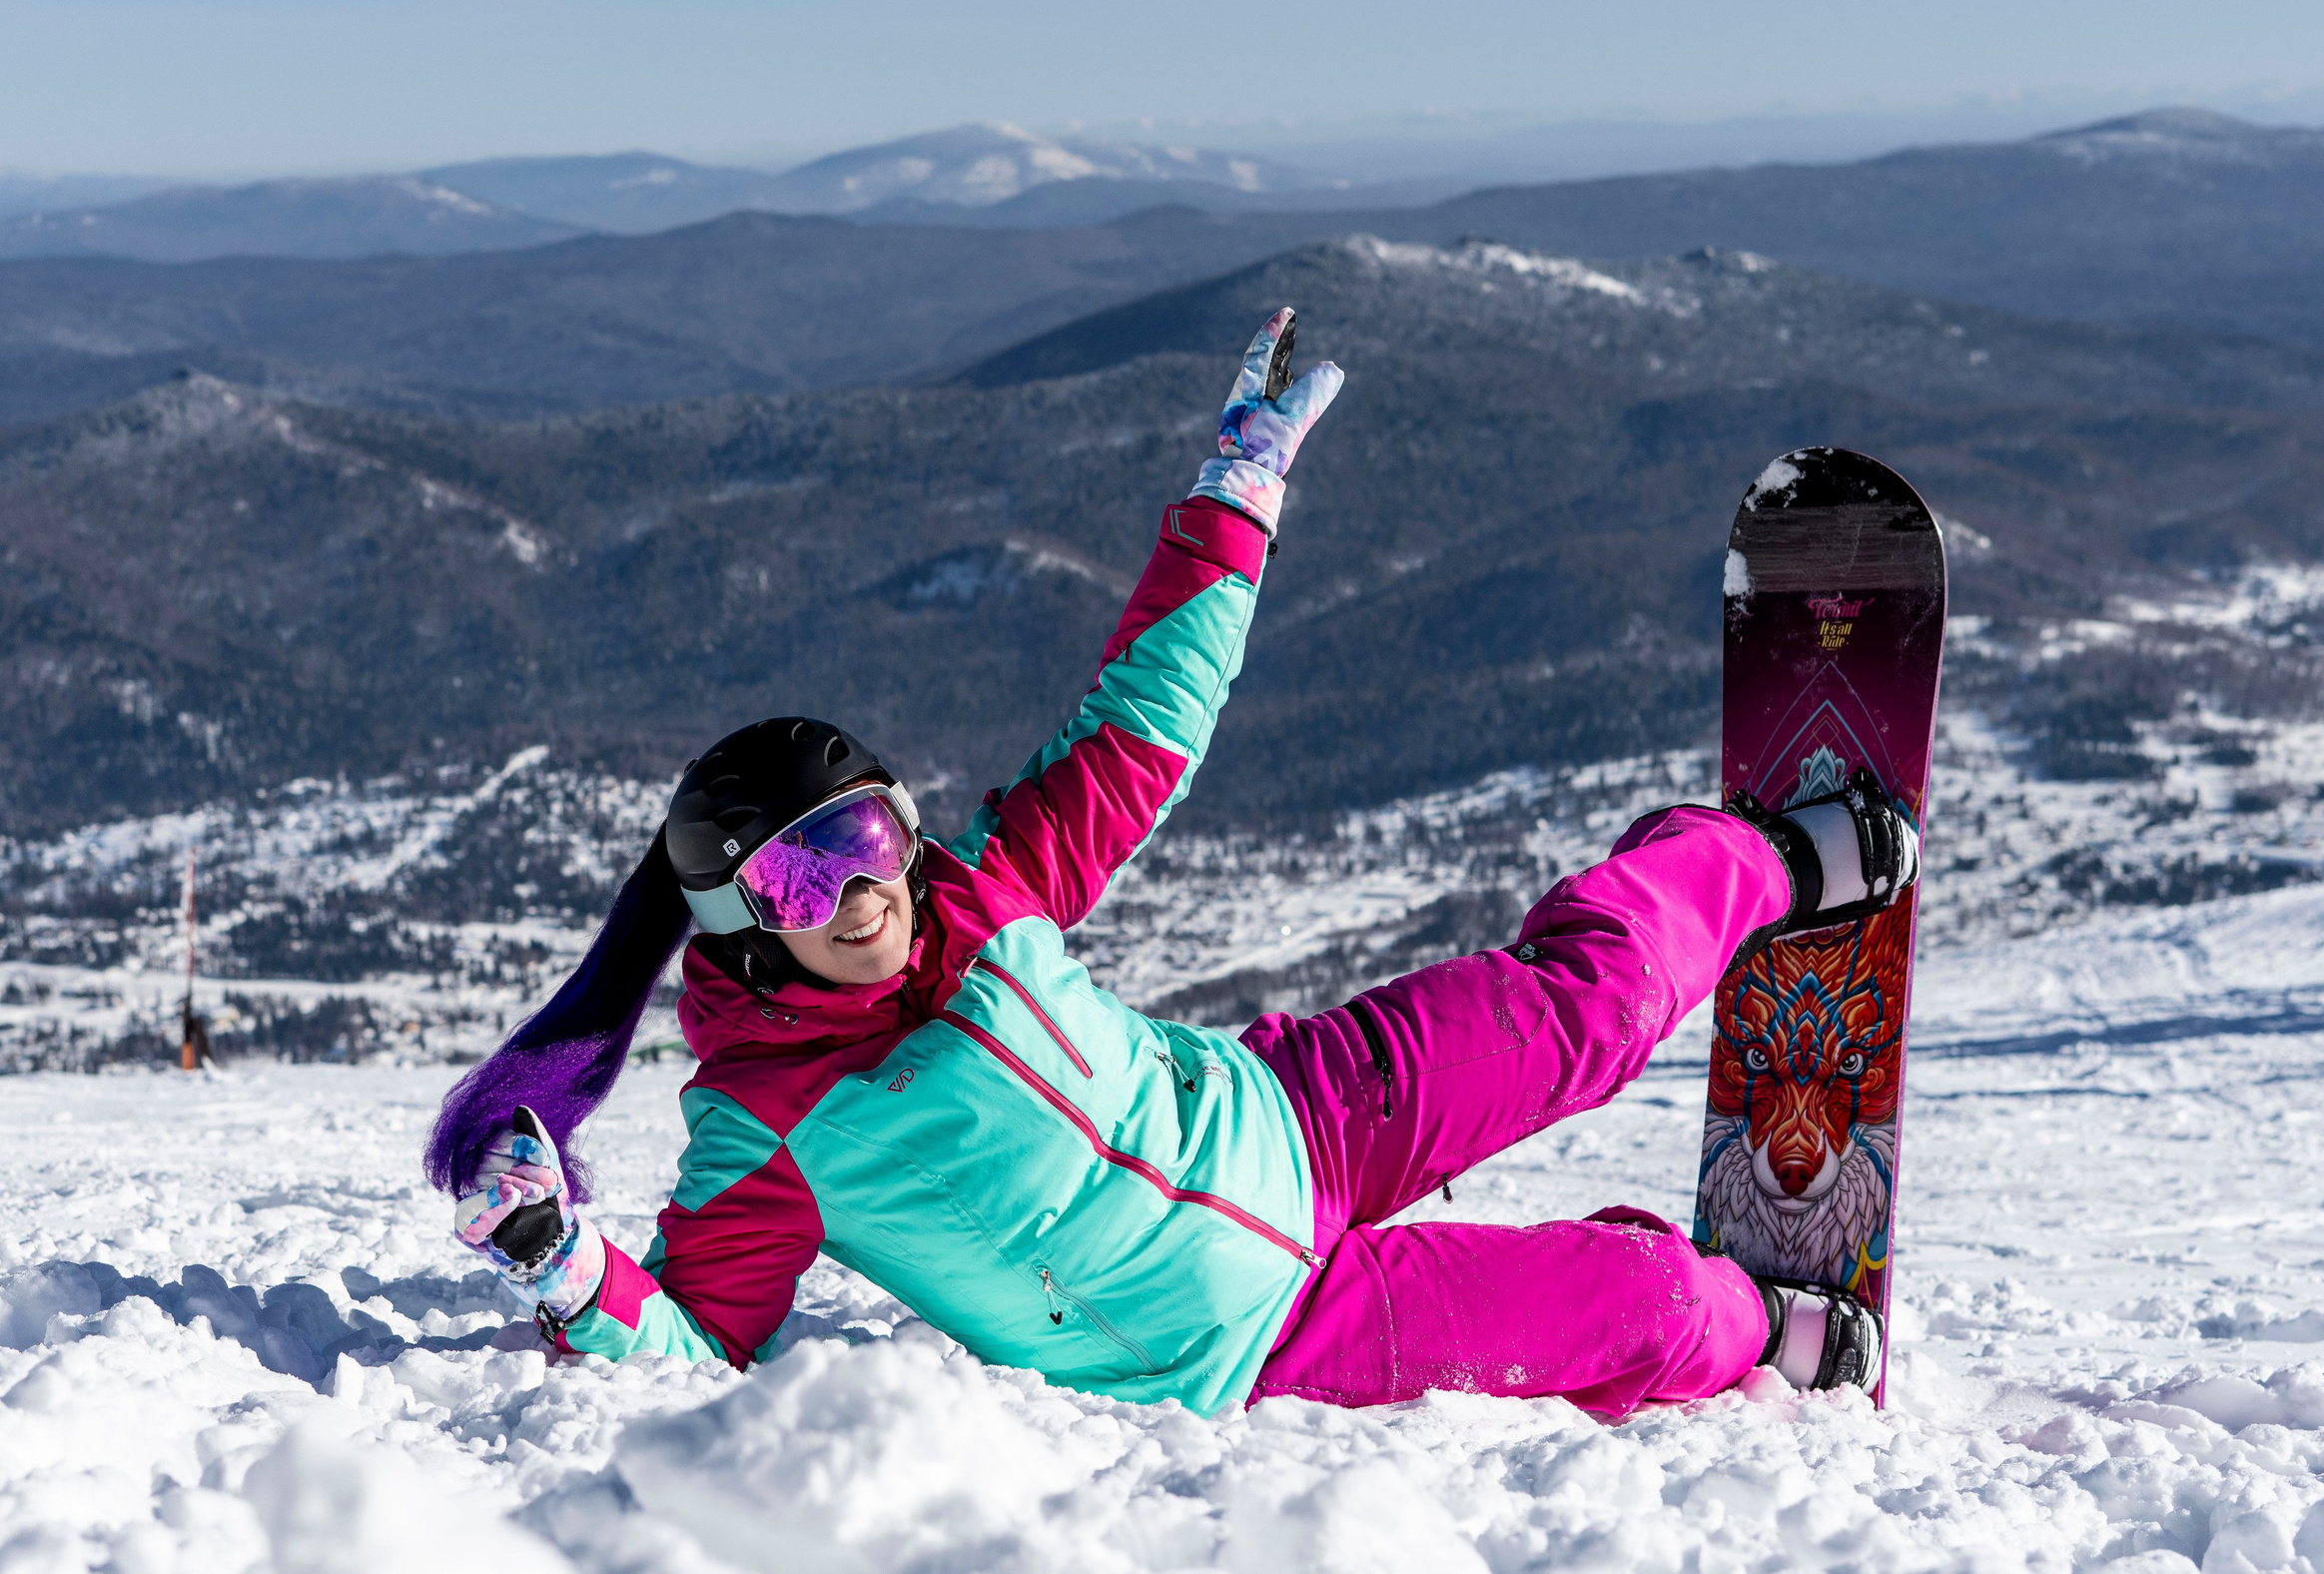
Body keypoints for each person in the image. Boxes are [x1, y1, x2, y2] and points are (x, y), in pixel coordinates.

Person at [426, 310, 1919, 1416]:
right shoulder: (764, 1129)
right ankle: (1761, 1326)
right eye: (807, 882)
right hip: (1272, 1334)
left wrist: (1238, 492)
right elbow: (695, 1338)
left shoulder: (981, 897)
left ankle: (1766, 863)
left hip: (1303, 1101)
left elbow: (1141, 721)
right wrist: (567, 1271)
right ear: (745, 936)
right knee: (1641, 1306)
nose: (867, 887)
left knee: (1583, 1011)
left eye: (868, 833)